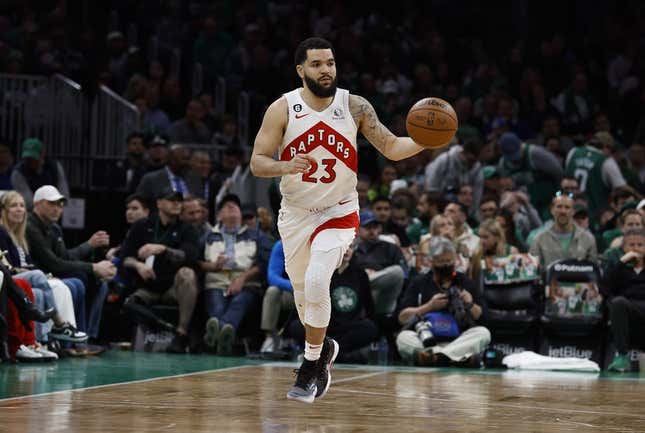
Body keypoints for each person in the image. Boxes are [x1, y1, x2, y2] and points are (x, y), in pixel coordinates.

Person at [250, 37, 425, 403]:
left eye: (330, 62)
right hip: (296, 215)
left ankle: (310, 364)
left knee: (318, 280)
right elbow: (257, 162)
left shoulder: (355, 106)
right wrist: (284, 165)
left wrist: (426, 139)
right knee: (304, 299)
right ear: (301, 70)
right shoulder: (282, 109)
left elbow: (392, 147)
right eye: (317, 64)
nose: (326, 69)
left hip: (339, 211)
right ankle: (324, 349)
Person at [120, 188, 200, 353]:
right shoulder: (143, 225)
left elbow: (190, 257)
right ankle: (162, 327)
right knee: (129, 304)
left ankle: (181, 332)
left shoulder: (187, 228)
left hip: (173, 288)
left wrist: (163, 249)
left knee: (187, 274)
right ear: (159, 203)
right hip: (148, 286)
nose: (177, 203)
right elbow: (125, 258)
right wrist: (138, 265)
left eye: (179, 200)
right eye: (171, 200)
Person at [396, 236, 490, 366]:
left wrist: (469, 303)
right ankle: (454, 358)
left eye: (449, 261)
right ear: (431, 262)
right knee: (403, 338)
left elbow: (483, 317)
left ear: (455, 259)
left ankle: (436, 357)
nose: (446, 265)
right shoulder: (419, 282)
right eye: (441, 262)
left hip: (458, 341)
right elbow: (402, 318)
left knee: (483, 333)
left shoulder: (464, 281)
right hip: (427, 340)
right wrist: (428, 307)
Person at [603, 228, 645, 372]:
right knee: (618, 302)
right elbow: (605, 288)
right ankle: (622, 357)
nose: (636, 249)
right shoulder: (619, 268)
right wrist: (621, 262)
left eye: (640, 245)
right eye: (631, 245)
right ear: (624, 248)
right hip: (628, 311)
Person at [529, 191, 598, 271]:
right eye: (559, 207)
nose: (563, 211)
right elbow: (533, 271)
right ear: (552, 210)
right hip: (549, 282)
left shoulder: (588, 239)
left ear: (573, 211)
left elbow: (593, 272)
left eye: (567, 207)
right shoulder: (539, 239)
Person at [11, 138, 70, 210]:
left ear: (42, 154)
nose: (31, 161)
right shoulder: (18, 173)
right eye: (28, 158)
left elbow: (64, 195)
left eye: (34, 157)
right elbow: (28, 202)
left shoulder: (55, 168)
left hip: (56, 210)